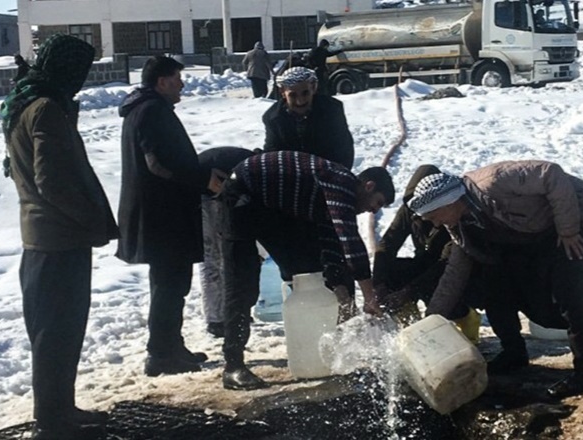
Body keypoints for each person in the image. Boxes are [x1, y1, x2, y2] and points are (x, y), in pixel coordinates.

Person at [407, 161, 583, 398]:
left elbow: (551, 173)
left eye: (434, 216)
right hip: (530, 237)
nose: (435, 224)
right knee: (494, 284)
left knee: (572, 297)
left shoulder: (492, 182)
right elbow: (454, 274)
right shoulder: (461, 225)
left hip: (567, 223)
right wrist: (430, 323)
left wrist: (569, 230)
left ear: (448, 202)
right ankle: (513, 353)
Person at [1, 34, 118, 439]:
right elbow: (52, 181)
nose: (83, 81)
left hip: (43, 238)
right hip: (58, 240)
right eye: (80, 71)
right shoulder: (47, 109)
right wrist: (90, 220)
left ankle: (59, 410)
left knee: (54, 331)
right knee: (58, 332)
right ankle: (54, 421)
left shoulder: (27, 103)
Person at [216, 151, 394, 390]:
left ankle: (311, 352)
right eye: (378, 203)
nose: (373, 211)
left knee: (304, 271)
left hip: (272, 206)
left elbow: (332, 245)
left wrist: (341, 291)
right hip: (241, 196)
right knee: (242, 284)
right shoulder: (341, 183)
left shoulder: (333, 197)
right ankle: (233, 366)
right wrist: (369, 297)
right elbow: (350, 241)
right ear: (368, 186)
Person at [117, 55, 226, 377]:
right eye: (177, 78)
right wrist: (203, 179)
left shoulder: (147, 108)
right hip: (161, 216)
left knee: (172, 284)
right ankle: (161, 353)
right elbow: (160, 163)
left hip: (161, 214)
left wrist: (202, 171)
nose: (182, 84)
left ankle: (170, 345)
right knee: (168, 285)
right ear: (162, 81)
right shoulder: (151, 111)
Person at [373, 165, 481, 342]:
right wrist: (379, 285)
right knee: (391, 271)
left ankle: (467, 317)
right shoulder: (410, 209)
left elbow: (448, 262)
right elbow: (387, 244)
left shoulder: (451, 213)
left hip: (448, 270)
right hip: (423, 262)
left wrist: (409, 291)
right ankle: (411, 327)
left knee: (440, 294)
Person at [197, 147, 260, 338]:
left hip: (213, 193)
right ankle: (216, 319)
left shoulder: (250, 163)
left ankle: (230, 313)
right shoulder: (253, 169)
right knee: (213, 259)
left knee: (224, 258)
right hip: (205, 196)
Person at [262, 66, 354, 168]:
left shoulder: (331, 110)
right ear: (283, 92)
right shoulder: (273, 118)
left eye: (305, 93)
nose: (300, 101)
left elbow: (344, 150)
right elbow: (273, 153)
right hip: (291, 173)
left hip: (327, 171)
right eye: (293, 95)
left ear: (313, 88)